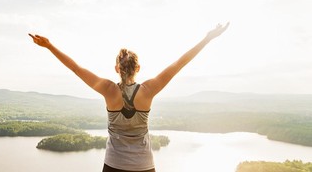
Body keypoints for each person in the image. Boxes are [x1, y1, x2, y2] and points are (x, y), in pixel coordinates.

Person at [28, 23, 229, 172]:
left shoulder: (107, 89)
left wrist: (49, 46)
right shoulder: (149, 90)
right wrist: (207, 38)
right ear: (138, 68)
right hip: (144, 166)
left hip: (114, 165)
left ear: (117, 68)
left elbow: (75, 68)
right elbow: (179, 63)